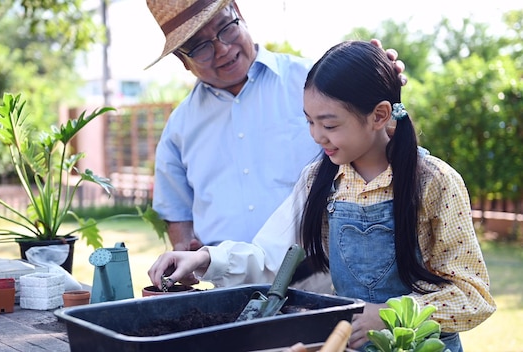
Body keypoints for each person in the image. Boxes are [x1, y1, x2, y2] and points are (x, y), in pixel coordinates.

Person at [148, 40, 496, 351]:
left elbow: (473, 295)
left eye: (329, 125)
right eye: (309, 122)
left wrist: (390, 316)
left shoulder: (434, 181)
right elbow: (271, 257)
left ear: (379, 115)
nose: (317, 136)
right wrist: (205, 259)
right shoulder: (319, 179)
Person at [145, 0, 406, 254]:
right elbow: (176, 212)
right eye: (201, 47)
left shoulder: (313, 85)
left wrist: (379, 82)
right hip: (224, 285)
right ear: (182, 60)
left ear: (238, 11)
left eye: (226, 28)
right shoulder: (179, 127)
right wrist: (185, 249)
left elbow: (378, 138)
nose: (222, 49)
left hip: (324, 278)